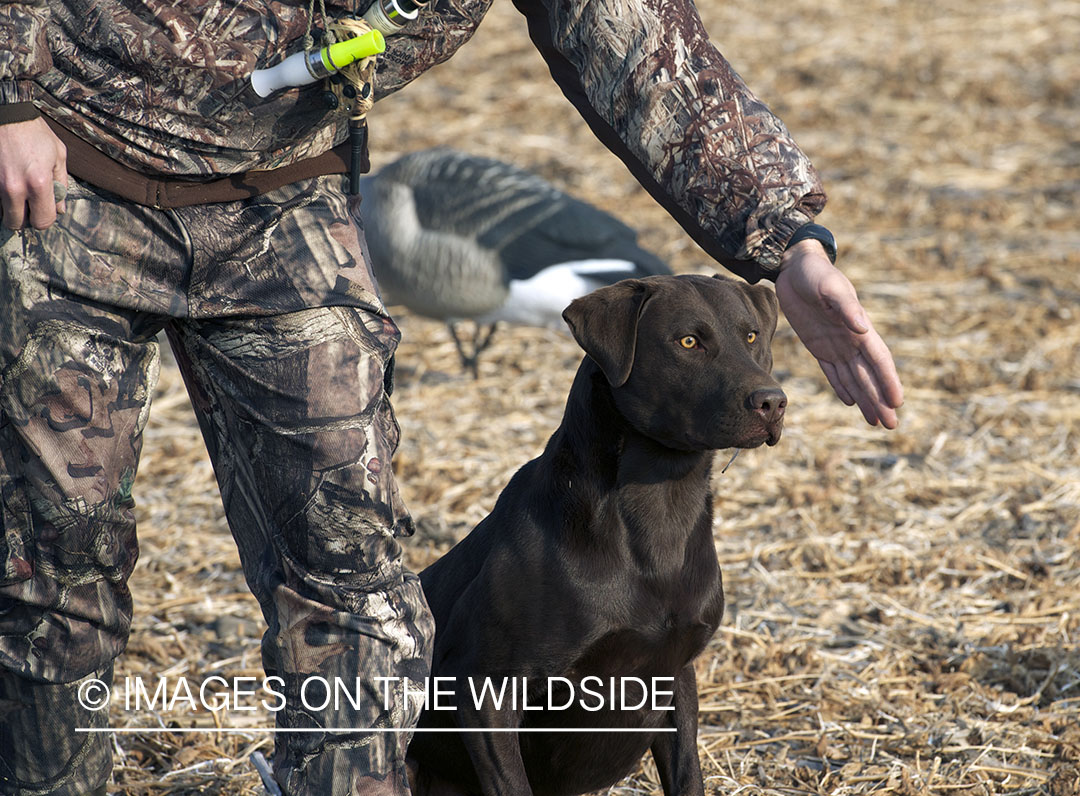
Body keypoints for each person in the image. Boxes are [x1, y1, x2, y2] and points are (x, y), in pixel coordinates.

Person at [0, 0, 903, 794]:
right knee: (54, 588)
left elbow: (640, 44)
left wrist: (787, 240)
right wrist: (8, 92)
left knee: (352, 588)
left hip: (284, 212)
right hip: (60, 187)